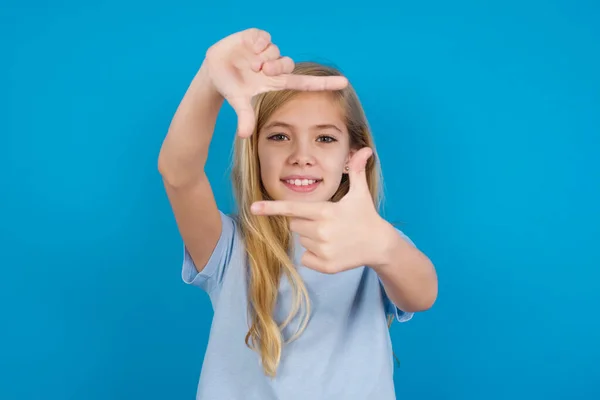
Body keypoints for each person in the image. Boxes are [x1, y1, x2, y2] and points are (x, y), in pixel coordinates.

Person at [158, 27, 438, 400]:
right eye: (279, 136)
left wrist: (384, 247)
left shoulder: (371, 241)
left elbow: (421, 295)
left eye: (324, 138)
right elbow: (179, 176)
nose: (301, 155)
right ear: (254, 150)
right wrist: (210, 79)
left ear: (350, 157)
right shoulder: (228, 247)